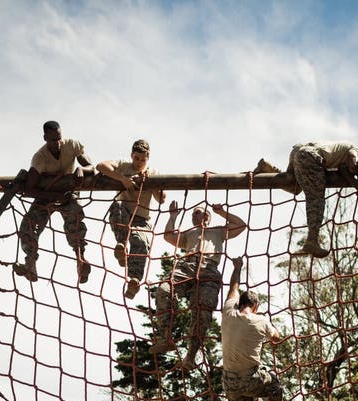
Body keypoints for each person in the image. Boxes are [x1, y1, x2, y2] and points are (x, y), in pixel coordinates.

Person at [150, 201, 246, 370]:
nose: (196, 214)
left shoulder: (218, 231)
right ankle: (166, 337)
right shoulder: (190, 233)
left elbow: (240, 225)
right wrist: (172, 216)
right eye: (194, 213)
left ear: (207, 216)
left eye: (199, 212)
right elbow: (168, 236)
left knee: (203, 313)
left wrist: (222, 212)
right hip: (188, 266)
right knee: (164, 290)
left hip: (209, 269)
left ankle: (190, 357)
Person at [221, 257, 285, 401]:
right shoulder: (261, 320)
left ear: (239, 304)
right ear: (255, 306)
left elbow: (233, 288)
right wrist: (272, 335)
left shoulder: (228, 313)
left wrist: (237, 267)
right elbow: (276, 337)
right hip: (250, 379)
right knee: (275, 387)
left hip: (229, 385)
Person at [14, 121, 95, 284]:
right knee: (28, 226)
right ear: (45, 138)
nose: (57, 143)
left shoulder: (72, 145)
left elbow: (92, 167)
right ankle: (30, 262)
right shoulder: (40, 158)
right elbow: (29, 189)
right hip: (46, 195)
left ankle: (81, 260)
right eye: (53, 140)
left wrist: (81, 169)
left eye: (59, 138)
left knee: (75, 218)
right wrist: (54, 197)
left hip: (68, 192)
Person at [254, 142, 358, 257]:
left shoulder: (338, 148)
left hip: (299, 151)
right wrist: (356, 164)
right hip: (310, 156)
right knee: (316, 196)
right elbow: (353, 156)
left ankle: (267, 167)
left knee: (294, 187)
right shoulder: (353, 150)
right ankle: (312, 240)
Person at [97, 139, 166, 300]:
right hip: (124, 213)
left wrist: (151, 183)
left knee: (141, 243)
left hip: (141, 218)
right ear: (131, 156)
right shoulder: (123, 165)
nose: (139, 162)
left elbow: (161, 199)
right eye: (136, 158)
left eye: (143, 159)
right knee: (117, 206)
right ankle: (121, 246)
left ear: (148, 158)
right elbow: (100, 166)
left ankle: (134, 281)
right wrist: (122, 178)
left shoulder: (153, 172)